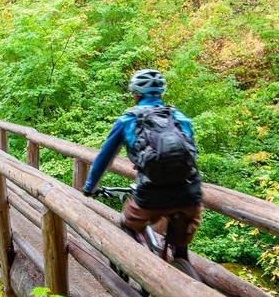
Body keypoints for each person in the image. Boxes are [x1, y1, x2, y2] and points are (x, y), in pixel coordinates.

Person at [81, 69, 203, 261]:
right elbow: (191, 155)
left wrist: (89, 187)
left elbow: (104, 158)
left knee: (127, 223)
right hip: (191, 194)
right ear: (161, 94)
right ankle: (181, 260)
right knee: (181, 242)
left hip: (152, 197)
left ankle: (143, 267)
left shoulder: (128, 120)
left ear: (135, 94)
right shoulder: (179, 117)